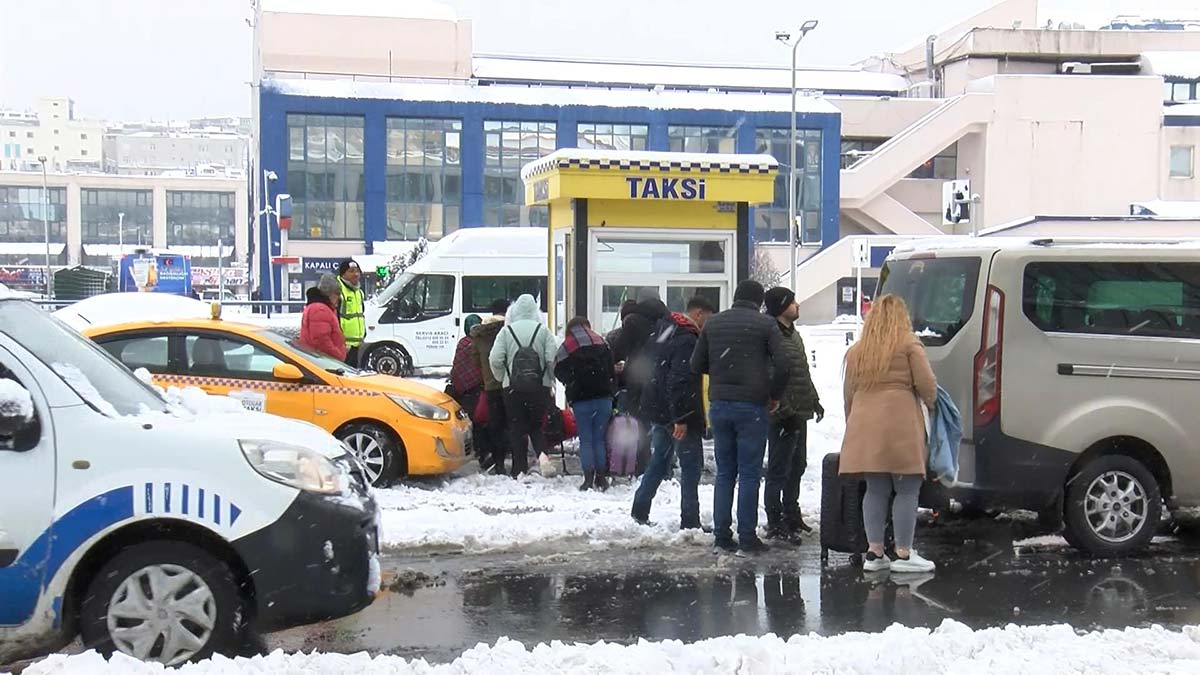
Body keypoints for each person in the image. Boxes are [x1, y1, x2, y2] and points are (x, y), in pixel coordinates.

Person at [692, 280, 791, 556]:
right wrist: (774, 394)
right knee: (749, 473)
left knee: (725, 473)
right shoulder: (766, 325)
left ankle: (722, 536)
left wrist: (723, 371)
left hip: (720, 406)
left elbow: (695, 364)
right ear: (759, 302)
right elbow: (784, 364)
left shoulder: (714, 324)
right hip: (752, 407)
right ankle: (747, 537)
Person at [841, 294, 938, 574]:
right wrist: (933, 407)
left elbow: (849, 395)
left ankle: (875, 552)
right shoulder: (909, 346)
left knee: (875, 488)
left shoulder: (858, 351)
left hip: (864, 425)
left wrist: (854, 424)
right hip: (900, 423)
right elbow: (927, 386)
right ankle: (904, 555)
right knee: (907, 488)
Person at [632, 296, 715, 529]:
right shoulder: (687, 339)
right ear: (698, 314)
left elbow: (654, 371)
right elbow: (680, 380)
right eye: (708, 318)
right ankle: (690, 522)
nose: (707, 324)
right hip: (678, 415)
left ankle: (639, 509)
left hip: (658, 410)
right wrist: (681, 417)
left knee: (660, 460)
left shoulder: (665, 329)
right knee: (690, 467)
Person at [762, 287, 824, 543]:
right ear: (781, 306)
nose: (797, 305)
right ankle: (775, 520)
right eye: (792, 301)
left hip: (800, 410)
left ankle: (792, 513)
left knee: (798, 465)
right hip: (782, 414)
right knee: (779, 468)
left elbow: (802, 372)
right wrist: (782, 408)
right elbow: (770, 374)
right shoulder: (771, 334)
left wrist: (814, 399)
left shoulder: (792, 334)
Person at [489, 294, 557, 478]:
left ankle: (519, 468)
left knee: (516, 426)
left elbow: (495, 359)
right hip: (539, 388)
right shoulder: (543, 331)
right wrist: (549, 380)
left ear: (516, 310)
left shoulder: (506, 331)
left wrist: (503, 377)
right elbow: (552, 360)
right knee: (536, 426)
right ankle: (543, 456)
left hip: (512, 389)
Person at [553, 316, 617, 491]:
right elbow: (611, 370)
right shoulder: (602, 343)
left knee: (586, 439)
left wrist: (572, 381)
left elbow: (558, 371)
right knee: (600, 438)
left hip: (581, 399)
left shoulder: (567, 347)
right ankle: (601, 478)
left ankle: (588, 478)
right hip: (603, 398)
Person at [613, 289, 668, 474]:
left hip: (638, 380)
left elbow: (619, 349)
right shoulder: (668, 320)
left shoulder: (634, 321)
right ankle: (664, 467)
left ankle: (642, 466)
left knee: (640, 425)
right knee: (663, 425)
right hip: (662, 379)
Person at [471, 299, 511, 474]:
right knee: (513, 424)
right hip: (510, 385)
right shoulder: (509, 330)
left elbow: (475, 362)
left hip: (491, 386)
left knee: (496, 425)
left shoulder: (479, 334)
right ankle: (518, 463)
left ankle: (499, 463)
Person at [450, 314, 486, 465]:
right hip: (477, 389)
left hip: (462, 390)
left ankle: (471, 448)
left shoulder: (462, 343)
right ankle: (479, 448)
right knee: (478, 421)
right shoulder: (480, 344)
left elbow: (458, 368)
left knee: (468, 420)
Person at [299, 274, 347, 361]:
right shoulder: (320, 309)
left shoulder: (320, 307)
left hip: (321, 359)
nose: (338, 298)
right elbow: (321, 340)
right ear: (329, 294)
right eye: (337, 294)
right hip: (324, 361)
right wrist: (338, 355)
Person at [336, 259, 367, 367]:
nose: (356, 274)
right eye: (351, 271)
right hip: (343, 345)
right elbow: (334, 317)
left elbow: (360, 315)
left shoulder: (359, 292)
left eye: (357, 271)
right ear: (343, 273)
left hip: (356, 344)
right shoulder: (338, 290)